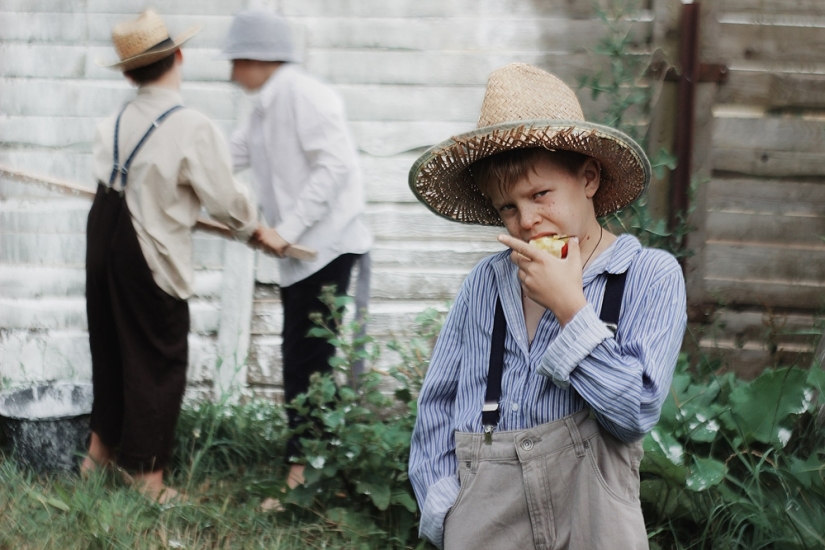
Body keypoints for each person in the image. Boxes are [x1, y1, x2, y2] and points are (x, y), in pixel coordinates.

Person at [408, 63, 687, 549]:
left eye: (540, 195)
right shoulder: (486, 285)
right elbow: (438, 404)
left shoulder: (649, 277)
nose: (528, 221)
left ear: (590, 179)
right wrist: (445, 510)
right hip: (486, 514)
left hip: (593, 515)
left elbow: (634, 411)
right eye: (508, 208)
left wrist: (570, 308)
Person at [82, 9, 283, 502]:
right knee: (157, 355)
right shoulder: (189, 124)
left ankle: (98, 459)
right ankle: (147, 480)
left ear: (129, 73)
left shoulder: (113, 120)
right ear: (179, 56)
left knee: (109, 347)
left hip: (102, 235)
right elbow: (224, 196)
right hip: (145, 246)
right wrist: (253, 226)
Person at [220, 10, 373, 491]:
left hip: (326, 247)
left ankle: (304, 473)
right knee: (300, 355)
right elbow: (226, 157)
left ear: (257, 58)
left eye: (236, 61)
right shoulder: (264, 107)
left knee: (310, 358)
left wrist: (285, 230)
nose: (229, 73)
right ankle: (309, 463)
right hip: (301, 251)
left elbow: (335, 168)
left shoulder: (305, 95)